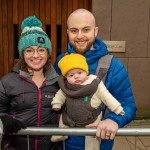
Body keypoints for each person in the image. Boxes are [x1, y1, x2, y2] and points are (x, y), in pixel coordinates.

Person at [54, 8, 137, 150]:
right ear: (68, 33)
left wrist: (113, 120)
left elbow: (128, 105)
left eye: (86, 29)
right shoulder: (61, 62)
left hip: (99, 144)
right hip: (63, 143)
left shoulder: (113, 66)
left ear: (95, 31)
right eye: (74, 30)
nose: (80, 36)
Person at [0, 16, 62, 150]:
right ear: (23, 53)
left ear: (48, 52)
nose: (35, 55)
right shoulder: (7, 82)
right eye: (29, 50)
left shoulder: (59, 83)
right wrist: (2, 120)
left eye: (41, 50)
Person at [51, 53, 125, 150]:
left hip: (92, 118)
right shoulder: (66, 86)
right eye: (71, 75)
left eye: (79, 73)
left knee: (93, 135)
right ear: (66, 77)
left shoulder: (95, 84)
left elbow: (107, 97)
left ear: (86, 72)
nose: (76, 77)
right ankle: (60, 134)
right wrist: (56, 103)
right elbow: (60, 95)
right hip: (70, 118)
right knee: (63, 120)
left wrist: (117, 108)